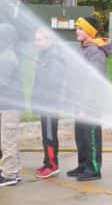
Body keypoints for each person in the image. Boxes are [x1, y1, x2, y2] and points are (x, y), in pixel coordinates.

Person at [66, 16, 111, 181]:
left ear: (89, 31)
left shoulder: (95, 51)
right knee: (81, 134)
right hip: (79, 101)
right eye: (76, 28)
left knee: (91, 135)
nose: (77, 31)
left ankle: (93, 168)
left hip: (90, 102)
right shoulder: (83, 48)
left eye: (80, 28)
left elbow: (94, 81)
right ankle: (83, 164)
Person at [31, 27, 65, 179]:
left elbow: (54, 83)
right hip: (44, 103)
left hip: (50, 104)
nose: (35, 43)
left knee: (50, 135)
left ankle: (53, 165)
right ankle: (47, 162)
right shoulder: (43, 54)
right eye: (35, 39)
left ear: (48, 40)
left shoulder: (53, 56)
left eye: (39, 39)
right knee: (46, 134)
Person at [0, 23, 24, 186]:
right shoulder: (6, 54)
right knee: (9, 139)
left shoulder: (7, 57)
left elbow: (2, 83)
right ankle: (14, 171)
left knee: (8, 140)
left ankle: (8, 176)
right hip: (7, 105)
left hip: (9, 106)